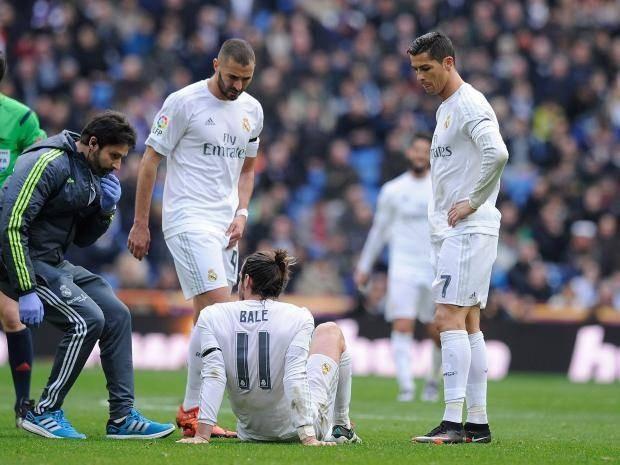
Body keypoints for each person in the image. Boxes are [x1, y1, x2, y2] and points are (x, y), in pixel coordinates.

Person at [0, 111, 175, 439]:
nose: (117, 166)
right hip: (17, 260)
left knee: (117, 314)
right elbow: (11, 224)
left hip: (51, 261)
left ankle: (122, 417)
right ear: (92, 143)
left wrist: (106, 210)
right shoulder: (47, 162)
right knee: (87, 319)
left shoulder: (89, 172)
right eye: (114, 156)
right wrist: (25, 288)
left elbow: (82, 238)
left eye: (122, 158)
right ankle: (45, 410)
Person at [127, 38, 263, 438]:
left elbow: (248, 170)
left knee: (207, 319)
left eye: (246, 79)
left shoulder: (252, 110)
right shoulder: (183, 102)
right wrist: (140, 223)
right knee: (223, 313)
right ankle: (246, 410)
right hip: (187, 218)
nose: (238, 86)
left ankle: (191, 412)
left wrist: (242, 212)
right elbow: (150, 160)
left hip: (226, 227)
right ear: (216, 64)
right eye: (232, 77)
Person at [407, 31, 509, 444]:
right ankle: (478, 425)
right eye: (415, 70)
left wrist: (473, 201)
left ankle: (452, 422)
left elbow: (497, 152)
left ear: (448, 63)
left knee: (446, 318)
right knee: (468, 323)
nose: (420, 77)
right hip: (458, 232)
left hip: (469, 229)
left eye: (426, 68)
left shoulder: (469, 104)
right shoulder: (446, 108)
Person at [177, 249, 361, 446]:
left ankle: (338, 426)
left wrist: (202, 435)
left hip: (251, 431)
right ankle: (342, 426)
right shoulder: (298, 316)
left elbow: (214, 374)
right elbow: (294, 376)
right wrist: (308, 436)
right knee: (330, 331)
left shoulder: (212, 315)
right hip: (301, 427)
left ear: (247, 280)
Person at [355, 133, 442, 403]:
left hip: (434, 266)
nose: (420, 155)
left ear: (431, 155)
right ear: (409, 153)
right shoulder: (393, 190)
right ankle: (406, 386)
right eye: (416, 150)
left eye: (425, 151)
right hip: (402, 266)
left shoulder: (440, 187)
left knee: (437, 329)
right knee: (402, 324)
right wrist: (364, 265)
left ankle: (432, 380)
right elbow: (379, 231)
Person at [0, 51, 47, 426]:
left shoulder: (21, 118)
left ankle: (23, 405)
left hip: (4, 228)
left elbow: (41, 164)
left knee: (11, 315)